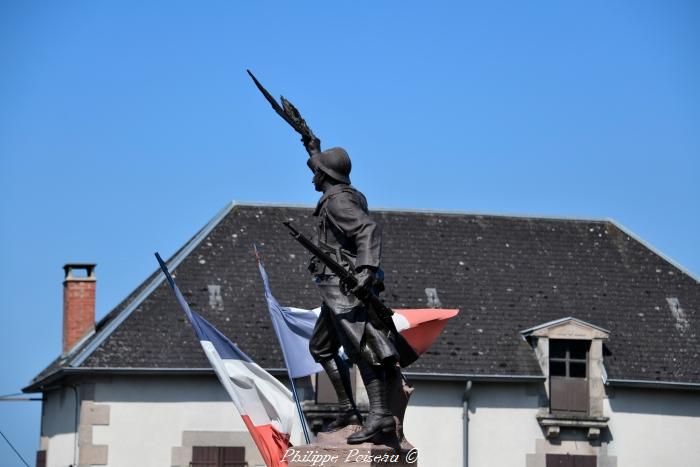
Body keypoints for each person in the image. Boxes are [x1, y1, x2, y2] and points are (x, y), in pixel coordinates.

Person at [303, 142, 405, 444]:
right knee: (321, 348)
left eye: (316, 172)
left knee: (362, 348)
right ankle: (348, 409)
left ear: (326, 175)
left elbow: (368, 230)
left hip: (344, 286)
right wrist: (311, 145)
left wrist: (365, 270)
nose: (312, 177)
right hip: (334, 289)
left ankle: (380, 415)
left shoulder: (337, 203)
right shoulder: (341, 194)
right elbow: (319, 167)